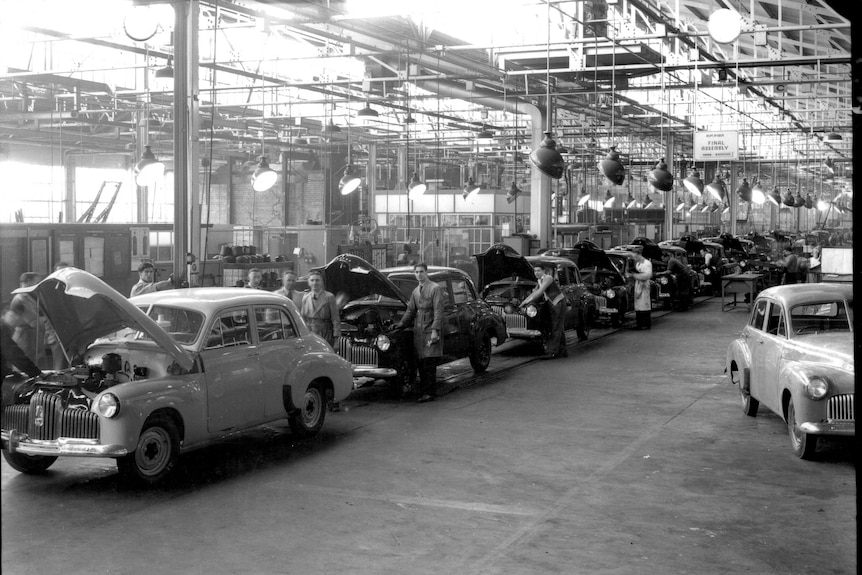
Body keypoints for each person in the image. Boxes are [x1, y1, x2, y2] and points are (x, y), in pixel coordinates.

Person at [394, 263, 444, 403]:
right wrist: (401, 324)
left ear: (426, 272)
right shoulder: (416, 291)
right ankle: (424, 391)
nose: (419, 274)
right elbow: (410, 310)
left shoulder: (435, 288)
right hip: (419, 331)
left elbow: (439, 311)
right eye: (416, 272)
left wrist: (435, 330)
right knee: (421, 361)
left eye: (421, 271)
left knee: (429, 361)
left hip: (429, 329)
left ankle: (429, 393)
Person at [300, 270, 342, 410]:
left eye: (317, 280)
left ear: (322, 282)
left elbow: (335, 319)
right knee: (312, 367)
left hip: (326, 334)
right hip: (311, 334)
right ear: (308, 282)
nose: (315, 283)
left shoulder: (329, 297)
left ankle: (332, 400)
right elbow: (303, 319)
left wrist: (336, 339)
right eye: (312, 280)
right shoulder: (305, 298)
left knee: (328, 367)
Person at [520, 263, 567, 359]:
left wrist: (527, 301)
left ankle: (552, 352)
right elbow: (535, 293)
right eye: (535, 271)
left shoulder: (548, 278)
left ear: (543, 271)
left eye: (538, 271)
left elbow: (540, 292)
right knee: (557, 327)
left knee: (555, 327)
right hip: (552, 304)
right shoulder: (539, 281)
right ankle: (562, 350)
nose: (536, 273)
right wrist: (524, 302)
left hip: (558, 303)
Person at [10, 272, 44, 365]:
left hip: (31, 338)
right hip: (25, 338)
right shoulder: (21, 298)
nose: (38, 285)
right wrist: (47, 319)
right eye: (36, 282)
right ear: (29, 282)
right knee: (26, 367)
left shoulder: (29, 296)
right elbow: (33, 321)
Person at [1, 310, 42, 380]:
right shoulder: (1, 330)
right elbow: (14, 355)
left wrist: (7, 372)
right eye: (12, 329)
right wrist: (36, 373)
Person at [629, 247, 653, 330]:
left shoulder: (647, 263)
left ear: (639, 255)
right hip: (638, 285)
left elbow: (647, 275)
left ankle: (645, 323)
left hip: (644, 285)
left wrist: (635, 275)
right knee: (639, 305)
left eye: (635, 256)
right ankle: (639, 323)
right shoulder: (638, 264)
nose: (634, 258)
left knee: (644, 304)